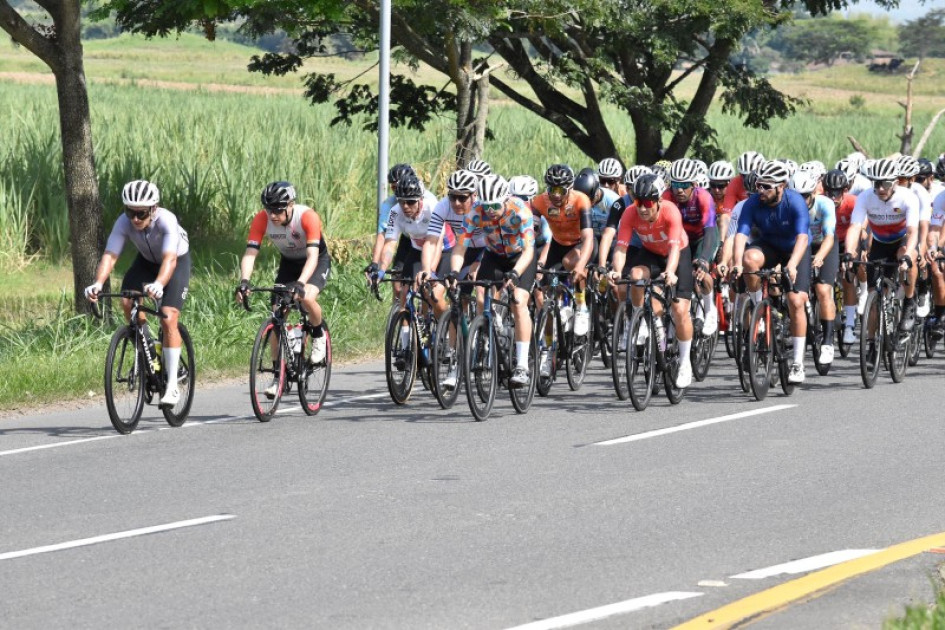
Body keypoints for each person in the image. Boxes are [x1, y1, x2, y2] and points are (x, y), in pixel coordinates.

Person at [85, 180, 191, 407]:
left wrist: (159, 284)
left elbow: (170, 259)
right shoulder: (123, 222)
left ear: (153, 209)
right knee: (127, 301)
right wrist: (98, 283)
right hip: (145, 262)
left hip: (175, 263)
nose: (134, 219)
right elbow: (110, 255)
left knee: (168, 316)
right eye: (130, 212)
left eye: (140, 213)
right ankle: (148, 347)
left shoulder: (167, 220)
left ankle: (172, 385)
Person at [237, 182, 331, 393]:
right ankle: (278, 376)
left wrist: (300, 284)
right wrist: (244, 281)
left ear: (291, 205)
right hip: (289, 264)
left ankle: (318, 336)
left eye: (278, 210)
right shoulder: (262, 219)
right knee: (277, 316)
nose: (272, 215)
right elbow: (250, 254)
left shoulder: (307, 217)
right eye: (269, 209)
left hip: (316, 261)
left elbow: (313, 256)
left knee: (306, 297)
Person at [447, 174, 536, 386]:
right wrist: (454, 272)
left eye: (495, 206)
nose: (490, 211)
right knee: (481, 295)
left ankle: (522, 365)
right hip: (494, 256)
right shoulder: (475, 213)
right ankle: (485, 336)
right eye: (486, 206)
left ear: (505, 199)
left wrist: (515, 273)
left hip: (520, 258)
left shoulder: (521, 211)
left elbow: (529, 250)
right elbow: (460, 247)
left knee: (518, 301)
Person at [608, 173, 695, 389]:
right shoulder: (630, 213)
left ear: (658, 201)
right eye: (638, 201)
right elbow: (621, 247)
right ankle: (640, 322)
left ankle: (685, 362)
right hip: (652, 253)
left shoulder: (670, 212)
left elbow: (674, 247)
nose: (642, 208)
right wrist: (616, 271)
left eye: (648, 203)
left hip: (677, 254)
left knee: (680, 309)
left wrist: (670, 272)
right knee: (635, 276)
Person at [732, 160, 812, 384]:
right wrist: (737, 263)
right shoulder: (753, 202)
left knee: (796, 300)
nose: (761, 191)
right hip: (769, 246)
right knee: (749, 259)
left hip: (795, 249)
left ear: (781, 186)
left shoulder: (795, 202)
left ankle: (797, 363)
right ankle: (759, 310)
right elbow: (741, 235)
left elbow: (802, 237)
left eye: (766, 187)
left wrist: (792, 265)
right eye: (759, 185)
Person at [843, 158, 920, 333]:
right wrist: (849, 252)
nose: (881, 189)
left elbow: (912, 231)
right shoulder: (866, 197)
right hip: (880, 243)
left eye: (885, 184)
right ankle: (871, 342)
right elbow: (855, 227)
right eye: (876, 184)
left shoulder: (907, 197)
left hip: (901, 240)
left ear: (895, 182)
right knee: (874, 296)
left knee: (908, 256)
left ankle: (909, 302)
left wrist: (908, 256)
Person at [530, 164, 595, 336]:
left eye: (561, 190)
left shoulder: (581, 200)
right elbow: (530, 235)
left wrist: (580, 266)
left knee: (571, 262)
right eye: (552, 189)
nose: (556, 195)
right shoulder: (539, 202)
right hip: (558, 244)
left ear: (570, 188)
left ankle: (581, 307)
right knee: (545, 289)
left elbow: (588, 238)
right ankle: (549, 346)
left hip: (580, 242)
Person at [665, 158, 720, 335]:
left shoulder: (704, 197)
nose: (679, 190)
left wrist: (703, 259)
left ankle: (709, 309)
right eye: (675, 184)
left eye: (684, 185)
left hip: (703, 236)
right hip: (680, 238)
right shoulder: (666, 197)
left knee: (701, 271)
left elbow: (710, 230)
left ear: (694, 184)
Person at [792, 170, 838, 365]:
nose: (801, 201)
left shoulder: (824, 204)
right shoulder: (789, 206)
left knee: (823, 289)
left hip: (824, 245)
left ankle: (827, 341)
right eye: (797, 197)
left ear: (813, 193)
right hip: (802, 246)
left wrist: (820, 257)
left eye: (805, 196)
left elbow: (829, 236)